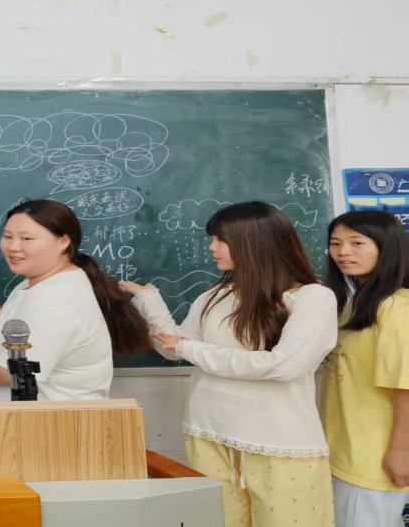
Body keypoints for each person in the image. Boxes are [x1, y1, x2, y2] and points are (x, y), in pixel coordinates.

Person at [119, 201, 338, 527]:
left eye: (221, 239)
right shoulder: (215, 295)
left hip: (277, 440)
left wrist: (190, 348)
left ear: (254, 242)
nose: (212, 247)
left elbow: (285, 366)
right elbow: (176, 349)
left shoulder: (312, 297)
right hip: (209, 431)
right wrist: (149, 303)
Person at [0, 199, 149, 401]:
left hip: (52, 427)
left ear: (63, 242)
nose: (13, 246)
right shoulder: (39, 283)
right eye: (7, 236)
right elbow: (5, 333)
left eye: (27, 238)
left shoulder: (55, 301)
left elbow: (11, 372)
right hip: (29, 424)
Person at [319, 210, 409, 527]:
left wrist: (401, 451)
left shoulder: (397, 307)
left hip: (373, 456)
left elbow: (405, 386)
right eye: (335, 243)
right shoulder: (354, 303)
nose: (343, 252)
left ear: (387, 247)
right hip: (343, 449)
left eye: (357, 243)